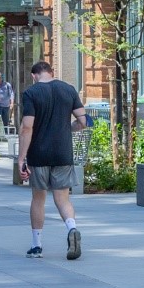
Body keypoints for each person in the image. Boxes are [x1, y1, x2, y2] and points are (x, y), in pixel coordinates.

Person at [17, 61, 87, 260]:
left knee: (38, 199)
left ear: (34, 76)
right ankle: (72, 228)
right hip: (63, 153)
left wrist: (21, 158)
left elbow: (27, 128)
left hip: (39, 154)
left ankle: (36, 245)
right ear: (52, 72)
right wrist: (68, 128)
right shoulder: (69, 89)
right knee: (62, 199)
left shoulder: (31, 93)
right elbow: (83, 122)